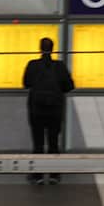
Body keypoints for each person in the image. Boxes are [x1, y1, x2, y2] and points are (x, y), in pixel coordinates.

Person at [22, 37, 74, 185]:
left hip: (36, 110)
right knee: (53, 142)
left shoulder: (32, 65)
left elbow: (26, 83)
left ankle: (37, 175)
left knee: (38, 143)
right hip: (55, 111)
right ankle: (54, 175)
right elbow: (69, 86)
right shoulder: (60, 66)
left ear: (40, 48)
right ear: (52, 48)